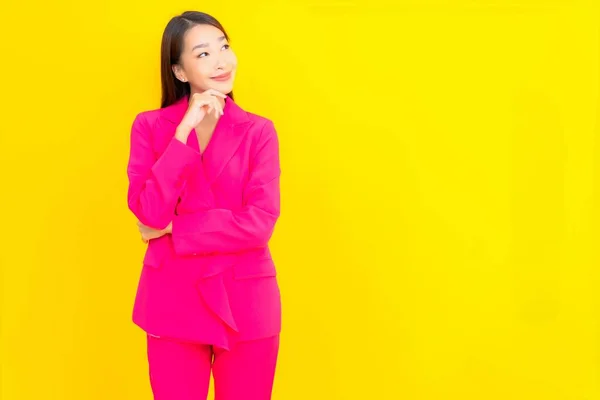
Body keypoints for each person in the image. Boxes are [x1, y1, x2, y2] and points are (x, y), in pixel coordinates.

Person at [126, 11, 282, 400]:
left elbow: (259, 223)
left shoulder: (258, 131)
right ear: (179, 71)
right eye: (203, 53)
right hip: (172, 299)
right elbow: (149, 214)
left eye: (224, 47)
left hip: (245, 301)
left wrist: (176, 230)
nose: (221, 61)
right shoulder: (150, 127)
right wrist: (182, 135)